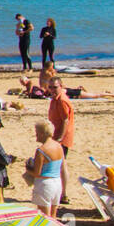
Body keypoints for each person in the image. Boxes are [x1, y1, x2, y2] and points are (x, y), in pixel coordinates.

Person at [24, 120, 64, 219]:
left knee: (44, 217)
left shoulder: (41, 150)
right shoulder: (58, 146)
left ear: (42, 133)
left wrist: (28, 169)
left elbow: (37, 173)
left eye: (37, 132)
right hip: (57, 182)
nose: (36, 135)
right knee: (53, 216)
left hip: (45, 184)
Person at [46, 76, 74, 206]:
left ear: (61, 86)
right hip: (56, 136)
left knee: (61, 166)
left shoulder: (62, 100)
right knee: (59, 165)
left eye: (55, 87)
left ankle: (64, 194)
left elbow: (65, 120)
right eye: (50, 87)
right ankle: (62, 193)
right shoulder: (55, 99)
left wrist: (59, 139)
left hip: (61, 138)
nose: (52, 90)